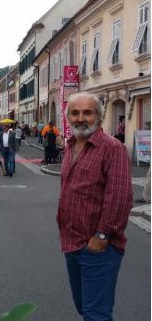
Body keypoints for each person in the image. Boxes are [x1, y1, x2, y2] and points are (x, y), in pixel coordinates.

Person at [57, 92, 133, 321]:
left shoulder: (112, 148)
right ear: (68, 116)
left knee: (96, 314)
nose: (81, 118)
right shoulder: (71, 146)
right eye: (75, 112)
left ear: (98, 117)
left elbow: (120, 197)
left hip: (99, 245)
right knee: (84, 308)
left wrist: (101, 235)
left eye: (87, 112)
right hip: (71, 241)